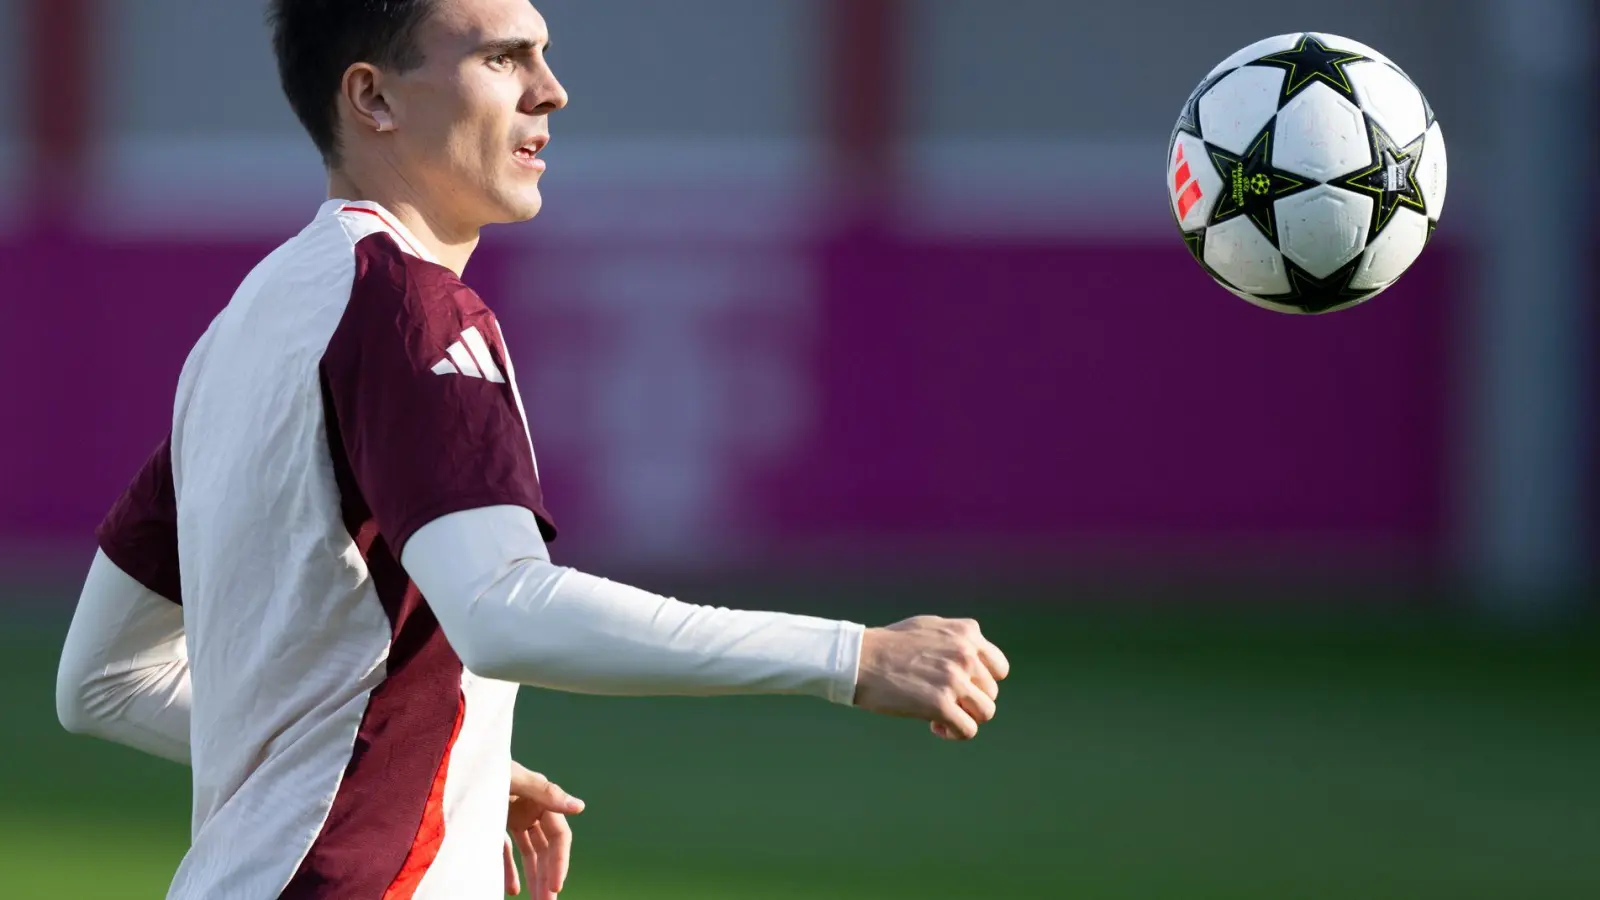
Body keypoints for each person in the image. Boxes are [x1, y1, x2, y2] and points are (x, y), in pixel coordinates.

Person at [53, 1, 1010, 898]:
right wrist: (851, 655)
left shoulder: (244, 327)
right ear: (372, 97)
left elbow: (101, 681)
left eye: (542, 55)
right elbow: (505, 609)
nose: (550, 90)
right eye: (502, 57)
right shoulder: (407, 309)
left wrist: (448, 752)